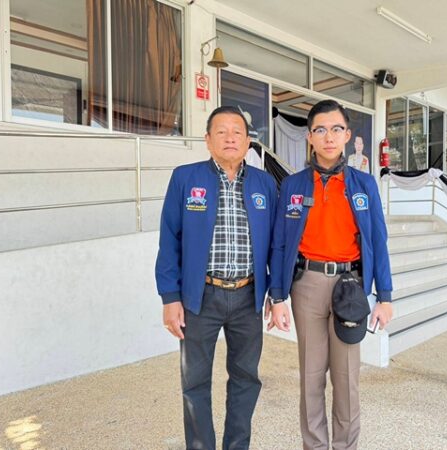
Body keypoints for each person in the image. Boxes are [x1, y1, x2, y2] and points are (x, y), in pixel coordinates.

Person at [267, 100, 393, 450]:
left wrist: (385, 296)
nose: (329, 137)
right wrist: (277, 296)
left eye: (336, 129)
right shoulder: (292, 185)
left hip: (349, 288)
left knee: (346, 378)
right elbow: (279, 243)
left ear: (347, 135)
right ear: (309, 136)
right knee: (311, 377)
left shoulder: (364, 184)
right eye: (320, 130)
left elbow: (378, 240)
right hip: (305, 286)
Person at [155, 106, 277, 450]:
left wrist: (276, 293)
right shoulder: (185, 178)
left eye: (237, 132)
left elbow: (276, 243)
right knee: (194, 381)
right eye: (221, 132)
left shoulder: (265, 183)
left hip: (248, 297)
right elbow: (169, 239)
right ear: (208, 140)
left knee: (246, 379)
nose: (230, 138)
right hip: (199, 297)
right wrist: (170, 298)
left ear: (248, 141)